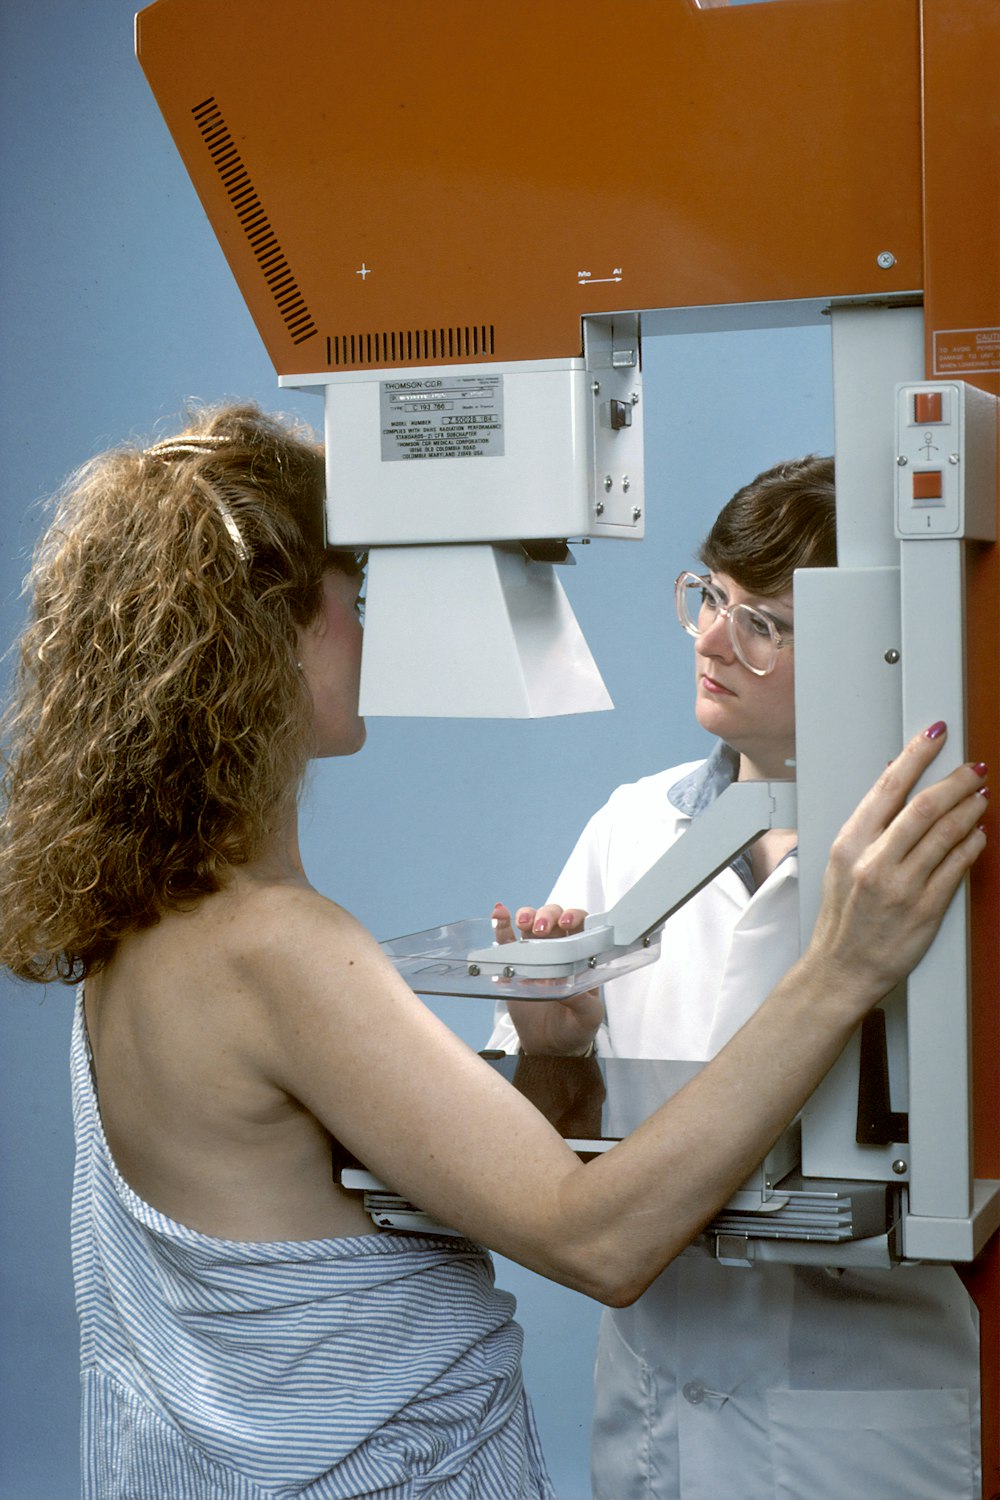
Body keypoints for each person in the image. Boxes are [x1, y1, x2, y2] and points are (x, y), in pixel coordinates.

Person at [0, 415, 985, 1500]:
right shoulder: (279, 949)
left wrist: (560, 1055)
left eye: (766, 622)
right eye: (356, 598)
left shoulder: (142, 925)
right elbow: (595, 1236)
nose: (372, 632)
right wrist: (839, 969)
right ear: (271, 638)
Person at [489, 455, 985, 1500]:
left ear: (870, 646)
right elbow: (540, 1155)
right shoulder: (633, 827)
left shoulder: (931, 855)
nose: (710, 641)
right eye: (709, 597)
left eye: (763, 622)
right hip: (654, 1414)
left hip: (857, 1430)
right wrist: (559, 1048)